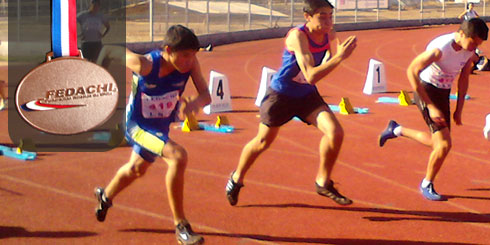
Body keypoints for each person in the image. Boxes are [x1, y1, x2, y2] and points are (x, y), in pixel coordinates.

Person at [225, 0, 357, 207]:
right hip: (281, 95)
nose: (328, 21)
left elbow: (327, 56)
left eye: (331, 15)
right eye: (322, 16)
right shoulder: (298, 36)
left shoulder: (328, 32)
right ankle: (236, 178)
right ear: (308, 16)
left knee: (335, 132)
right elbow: (312, 75)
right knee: (263, 142)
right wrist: (339, 58)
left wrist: (334, 55)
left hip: (306, 95)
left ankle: (323, 182)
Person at [94, 25, 211, 245]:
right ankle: (181, 226)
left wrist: (194, 103)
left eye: (193, 55)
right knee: (178, 156)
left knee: (136, 169)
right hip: (137, 125)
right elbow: (110, 50)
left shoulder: (191, 65)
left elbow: (206, 95)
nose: (189, 60)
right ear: (168, 49)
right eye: (185, 55)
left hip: (160, 127)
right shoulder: (145, 64)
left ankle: (105, 196)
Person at [379, 18, 488, 201]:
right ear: (462, 34)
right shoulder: (439, 49)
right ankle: (426, 183)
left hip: (443, 93)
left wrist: (459, 108)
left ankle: (396, 129)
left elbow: (464, 79)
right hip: (425, 91)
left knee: (437, 144)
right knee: (444, 145)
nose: (474, 48)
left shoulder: (468, 51)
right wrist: (430, 106)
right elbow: (412, 71)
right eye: (473, 43)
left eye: (478, 45)